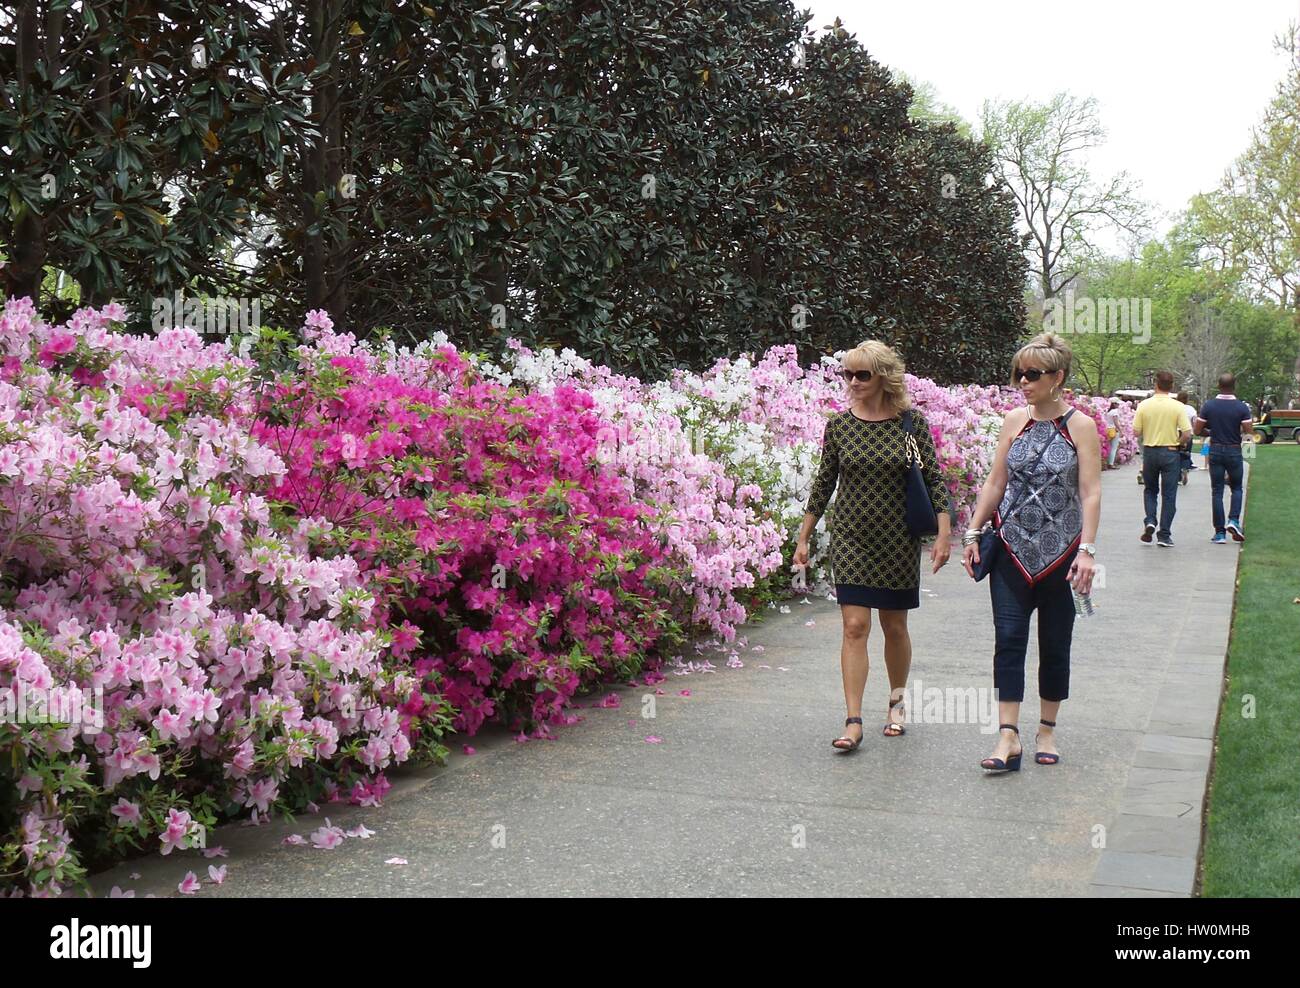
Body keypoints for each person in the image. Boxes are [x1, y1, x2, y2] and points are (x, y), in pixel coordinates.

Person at [795, 340, 952, 751]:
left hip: (897, 540)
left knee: (894, 627)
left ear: (883, 376)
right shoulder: (839, 426)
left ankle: (896, 703)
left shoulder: (911, 424)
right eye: (847, 374)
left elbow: (933, 479)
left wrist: (944, 532)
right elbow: (824, 483)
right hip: (850, 539)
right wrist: (804, 537)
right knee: (854, 626)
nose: (852, 382)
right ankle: (853, 720)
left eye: (862, 374)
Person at [961, 333, 1100, 772]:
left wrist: (1088, 550)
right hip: (1011, 549)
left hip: (1062, 555)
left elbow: (1091, 492)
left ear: (1058, 378)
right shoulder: (1013, 421)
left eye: (1033, 374)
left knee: (1056, 644)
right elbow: (995, 482)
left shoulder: (1081, 425)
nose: (1022, 381)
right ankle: (1007, 737)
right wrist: (972, 531)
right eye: (1018, 373)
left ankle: (1047, 729)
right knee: (1009, 640)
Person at [1132, 371, 1190, 547]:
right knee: (1169, 494)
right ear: (1171, 386)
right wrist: (1178, 443)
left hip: (1150, 451)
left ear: (1155, 384)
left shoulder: (1144, 405)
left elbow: (1136, 432)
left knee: (1150, 490)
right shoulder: (1177, 406)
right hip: (1170, 451)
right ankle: (1164, 534)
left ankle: (1150, 519)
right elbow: (1187, 433)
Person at [1195, 374, 1253, 544]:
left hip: (1216, 450)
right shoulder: (1242, 407)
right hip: (1234, 450)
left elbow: (1198, 430)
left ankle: (1219, 532)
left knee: (1217, 491)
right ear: (1234, 386)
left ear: (1218, 385)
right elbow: (1249, 432)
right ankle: (1234, 520)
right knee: (1236, 488)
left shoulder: (1209, 406)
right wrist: (1249, 454)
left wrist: (1211, 432)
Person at [1176, 391, 1197, 484]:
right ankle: (1185, 468)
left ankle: (1178, 475)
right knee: (1186, 453)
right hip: (1188, 433)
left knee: (1176, 454)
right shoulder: (1191, 409)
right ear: (1187, 399)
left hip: (1177, 432)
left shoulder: (1174, 408)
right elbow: (1194, 422)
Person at [1103, 398, 1122, 470]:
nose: (1118, 405)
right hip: (1114, 430)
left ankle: (1108, 462)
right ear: (1114, 404)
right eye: (1117, 403)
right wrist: (1121, 430)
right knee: (1114, 447)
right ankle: (1111, 464)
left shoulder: (1109, 411)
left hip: (1108, 430)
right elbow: (1116, 422)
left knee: (1109, 447)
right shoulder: (1115, 411)